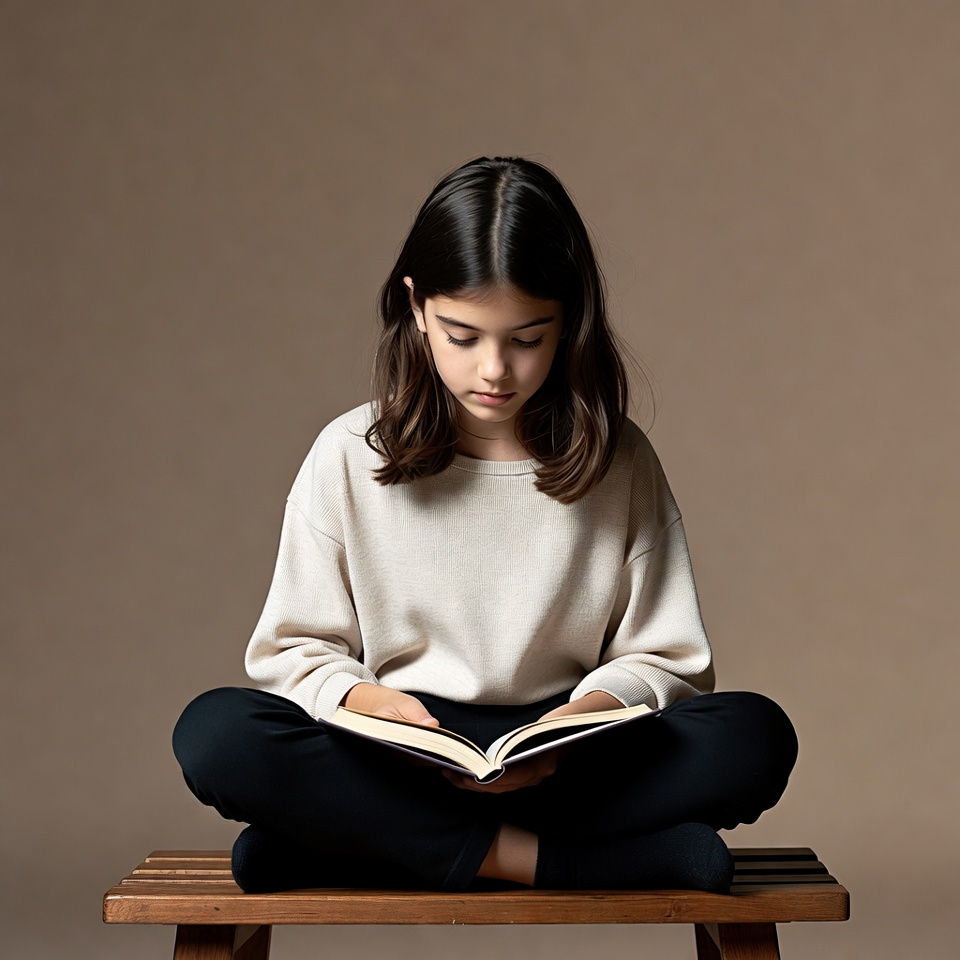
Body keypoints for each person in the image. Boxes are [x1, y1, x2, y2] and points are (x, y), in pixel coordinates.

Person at [173, 156, 797, 895]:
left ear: (568, 320)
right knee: (217, 736)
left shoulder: (619, 458)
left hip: (569, 750)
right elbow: (297, 652)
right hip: (399, 752)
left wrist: (572, 729)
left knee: (756, 737)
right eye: (462, 336)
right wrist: (382, 710)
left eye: (527, 338)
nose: (494, 370)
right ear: (415, 306)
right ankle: (549, 863)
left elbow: (667, 661)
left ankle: (363, 847)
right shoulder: (348, 455)